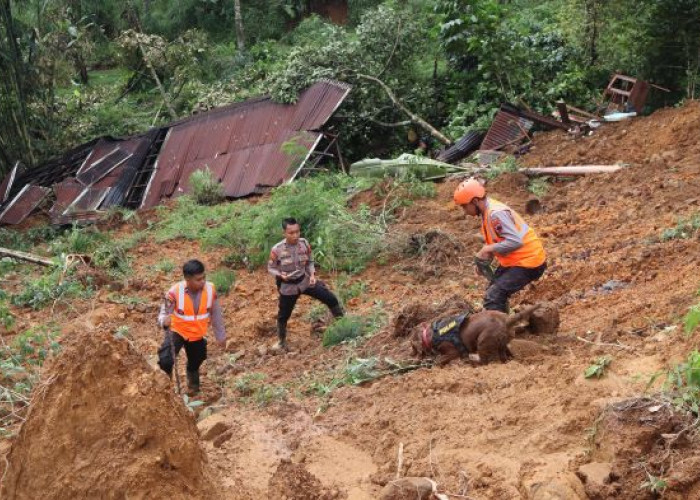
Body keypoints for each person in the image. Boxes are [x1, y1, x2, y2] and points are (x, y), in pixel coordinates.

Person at [453, 178, 547, 313]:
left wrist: (488, 249)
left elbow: (515, 241)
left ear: (475, 201)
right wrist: (483, 262)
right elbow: (498, 241)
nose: (464, 211)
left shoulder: (496, 214)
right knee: (492, 293)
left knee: (493, 297)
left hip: (529, 262)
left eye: (464, 206)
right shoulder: (488, 213)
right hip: (517, 261)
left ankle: (500, 332)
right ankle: (505, 323)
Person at [268, 217, 344, 351]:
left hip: (305, 281)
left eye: (297, 232)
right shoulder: (277, 249)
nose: (295, 235)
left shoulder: (304, 244)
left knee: (330, 298)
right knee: (283, 315)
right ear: (284, 233)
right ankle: (281, 342)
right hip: (288, 287)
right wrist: (280, 275)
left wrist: (313, 275)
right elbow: (271, 268)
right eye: (291, 233)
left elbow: (310, 261)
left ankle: (343, 325)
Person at [157, 259, 226, 394]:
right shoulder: (175, 291)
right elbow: (163, 313)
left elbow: (216, 313)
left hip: (197, 334)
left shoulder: (210, 290)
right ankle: (165, 389)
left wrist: (221, 336)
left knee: (197, 359)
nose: (203, 281)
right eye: (198, 279)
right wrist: (163, 320)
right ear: (187, 279)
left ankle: (193, 386)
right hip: (178, 331)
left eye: (204, 277)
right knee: (165, 359)